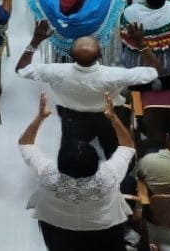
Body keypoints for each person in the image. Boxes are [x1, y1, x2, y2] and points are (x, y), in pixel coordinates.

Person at [16, 24, 161, 159]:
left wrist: (35, 41)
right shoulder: (114, 74)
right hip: (108, 116)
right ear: (100, 56)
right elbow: (155, 70)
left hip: (71, 116)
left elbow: (21, 69)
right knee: (113, 150)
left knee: (73, 152)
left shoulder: (56, 71)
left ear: (71, 57)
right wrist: (141, 44)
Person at [18, 92, 136, 250]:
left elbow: (25, 144)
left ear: (59, 164)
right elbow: (127, 146)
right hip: (105, 242)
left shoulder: (48, 174)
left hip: (60, 243)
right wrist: (114, 118)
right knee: (129, 182)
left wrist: (40, 117)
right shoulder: (108, 176)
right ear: (96, 165)